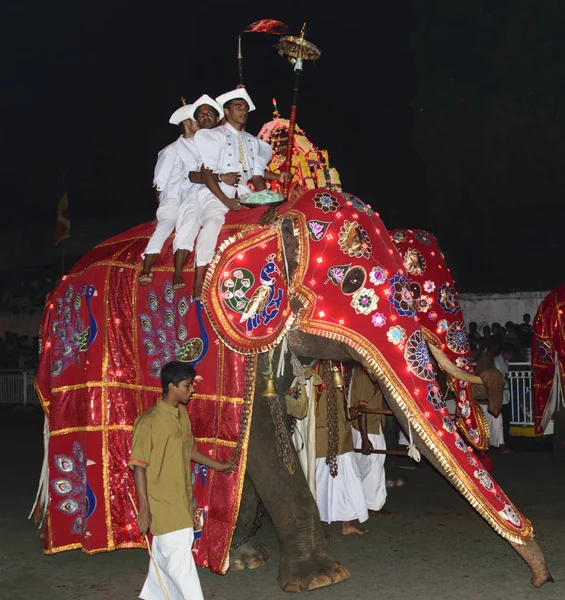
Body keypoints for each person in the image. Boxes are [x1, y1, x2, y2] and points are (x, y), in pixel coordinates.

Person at [129, 360, 234, 600]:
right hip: (163, 505)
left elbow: (190, 450)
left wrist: (219, 466)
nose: (192, 390)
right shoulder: (148, 421)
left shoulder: (181, 414)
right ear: (172, 386)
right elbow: (139, 467)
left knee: (167, 561)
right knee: (179, 566)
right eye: (188, 385)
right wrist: (144, 508)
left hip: (182, 501)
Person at [173, 88, 272, 299]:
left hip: (244, 193)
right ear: (226, 112)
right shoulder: (212, 136)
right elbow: (206, 173)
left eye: (245, 108)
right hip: (216, 194)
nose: (243, 111)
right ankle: (200, 279)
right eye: (238, 107)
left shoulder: (252, 141)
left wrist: (266, 198)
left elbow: (256, 177)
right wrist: (225, 201)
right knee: (212, 224)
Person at [139, 95, 224, 287]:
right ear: (187, 123)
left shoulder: (201, 144)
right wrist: (161, 208)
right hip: (172, 200)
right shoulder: (171, 150)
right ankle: (147, 270)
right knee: (166, 225)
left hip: (193, 197)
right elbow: (158, 183)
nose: (202, 122)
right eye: (197, 119)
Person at [315, 362, 369, 536]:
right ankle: (317, 527)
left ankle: (347, 523)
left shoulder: (339, 367)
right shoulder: (314, 367)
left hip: (342, 434)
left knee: (349, 478)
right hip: (323, 436)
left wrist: (348, 415)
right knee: (321, 481)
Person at [349, 367, 391, 516]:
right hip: (367, 429)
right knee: (373, 466)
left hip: (372, 426)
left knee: (372, 465)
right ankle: (374, 505)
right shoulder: (364, 376)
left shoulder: (369, 375)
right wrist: (365, 439)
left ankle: (368, 502)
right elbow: (362, 409)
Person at [495, 342, 517, 454]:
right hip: (501, 394)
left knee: (506, 419)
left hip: (505, 394)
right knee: (503, 420)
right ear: (506, 353)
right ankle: (503, 442)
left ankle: (505, 441)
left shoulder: (504, 362)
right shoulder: (497, 362)